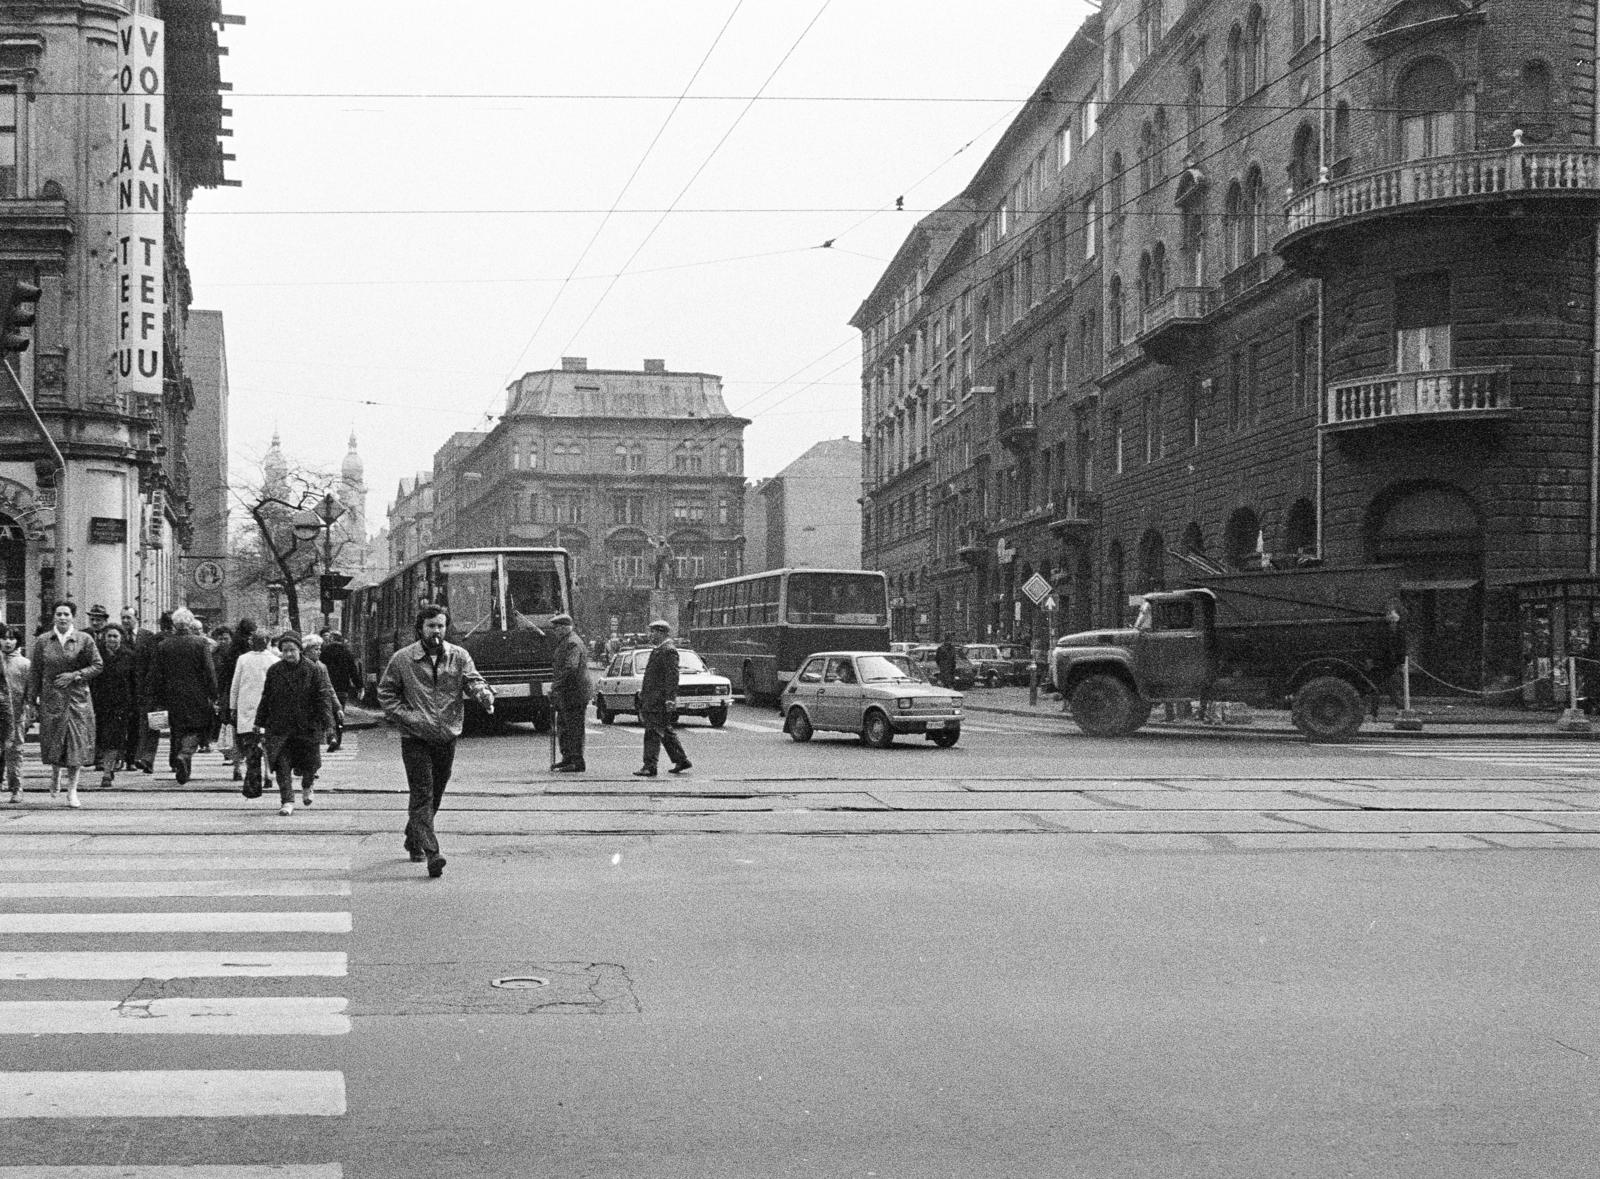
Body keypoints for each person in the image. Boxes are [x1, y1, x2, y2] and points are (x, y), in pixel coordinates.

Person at [377, 603, 494, 878]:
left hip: (446, 736)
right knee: (422, 794)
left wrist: (484, 694)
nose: (437, 631)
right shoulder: (403, 659)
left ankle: (413, 837)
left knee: (436, 795)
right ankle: (433, 853)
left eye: (441, 626)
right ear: (420, 629)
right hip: (415, 737)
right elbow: (386, 693)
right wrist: (409, 718)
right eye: (431, 626)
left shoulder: (459, 656)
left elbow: (473, 681)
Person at [254, 631, 336, 816]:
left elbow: (323, 697)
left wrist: (328, 725)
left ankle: (307, 784)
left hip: (306, 726)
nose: (288, 654)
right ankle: (287, 800)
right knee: (281, 765)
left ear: (300, 649)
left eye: (292, 650)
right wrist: (259, 722)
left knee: (310, 764)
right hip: (280, 726)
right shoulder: (275, 671)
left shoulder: (313, 670)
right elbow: (266, 698)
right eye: (284, 651)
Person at [27, 600, 96, 808]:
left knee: (76, 744)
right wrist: (32, 699)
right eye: (59, 614)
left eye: (66, 614)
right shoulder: (43, 641)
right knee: (54, 741)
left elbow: (97, 665)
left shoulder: (84, 639)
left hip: (77, 699)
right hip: (52, 698)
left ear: (73, 617)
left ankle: (72, 790)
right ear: (53, 617)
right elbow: (35, 671)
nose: (63, 618)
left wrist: (75, 675)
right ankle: (55, 773)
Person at [143, 607, 218, 784]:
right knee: (196, 729)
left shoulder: (164, 645)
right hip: (197, 694)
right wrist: (214, 693)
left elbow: (156, 673)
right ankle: (184, 755)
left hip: (172, 695)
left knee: (178, 729)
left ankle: (181, 767)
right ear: (190, 623)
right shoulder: (200, 643)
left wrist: (155, 697)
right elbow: (209, 670)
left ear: (174, 624)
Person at [633, 619, 690, 778]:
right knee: (664, 731)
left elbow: (672, 677)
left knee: (652, 732)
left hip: (658, 700)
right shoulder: (659, 649)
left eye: (652, 632)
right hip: (653, 699)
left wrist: (670, 698)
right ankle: (681, 759)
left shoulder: (668, 651)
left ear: (661, 632)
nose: (650, 635)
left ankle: (650, 765)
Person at [228, 629, 277, 797]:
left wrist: (232, 708)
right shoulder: (274, 660)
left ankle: (253, 783)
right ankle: (268, 774)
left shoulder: (243, 660)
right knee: (266, 745)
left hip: (247, 709)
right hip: (268, 710)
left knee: (251, 747)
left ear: (251, 642)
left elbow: (235, 686)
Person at [90, 624, 138, 789]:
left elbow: (134, 682)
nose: (111, 639)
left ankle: (107, 772)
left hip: (121, 705)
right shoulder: (96, 655)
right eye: (109, 636)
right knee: (102, 737)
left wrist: (134, 704)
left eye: (115, 636)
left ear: (121, 638)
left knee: (113, 738)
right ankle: (108, 763)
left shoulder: (129, 656)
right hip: (100, 703)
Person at [548, 614, 591, 773]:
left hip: (575, 692)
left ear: (565, 627)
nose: (554, 631)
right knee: (564, 726)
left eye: (556, 627)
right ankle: (567, 758)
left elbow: (571, 668)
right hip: (567, 692)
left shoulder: (572, 643)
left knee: (574, 727)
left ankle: (577, 761)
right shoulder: (566, 642)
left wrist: (555, 686)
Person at [130, 611, 172, 773]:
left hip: (153, 690)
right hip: (175, 691)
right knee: (177, 728)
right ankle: (176, 760)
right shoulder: (179, 641)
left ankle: (147, 758)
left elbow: (142, 667)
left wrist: (143, 689)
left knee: (152, 726)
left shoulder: (152, 640)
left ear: (160, 624)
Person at [300, 632, 344, 761]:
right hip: (302, 708)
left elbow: (329, 688)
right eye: (315, 649)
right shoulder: (300, 666)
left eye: (320, 649)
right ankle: (303, 764)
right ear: (307, 650)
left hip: (317, 709)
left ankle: (311, 767)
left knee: (315, 739)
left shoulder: (322, 667)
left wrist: (338, 707)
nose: (319, 652)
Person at [1, 627, 30, 803]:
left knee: (14, 752)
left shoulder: (24, 664)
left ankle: (16, 787)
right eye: (4, 638)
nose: (8, 642)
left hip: (15, 714)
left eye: (12, 638)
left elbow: (28, 690)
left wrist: (29, 710)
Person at [320, 630, 362, 708]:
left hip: (328, 687)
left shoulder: (324, 652)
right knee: (340, 710)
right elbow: (353, 671)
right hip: (343, 688)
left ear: (331, 639)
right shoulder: (347, 652)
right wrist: (359, 686)